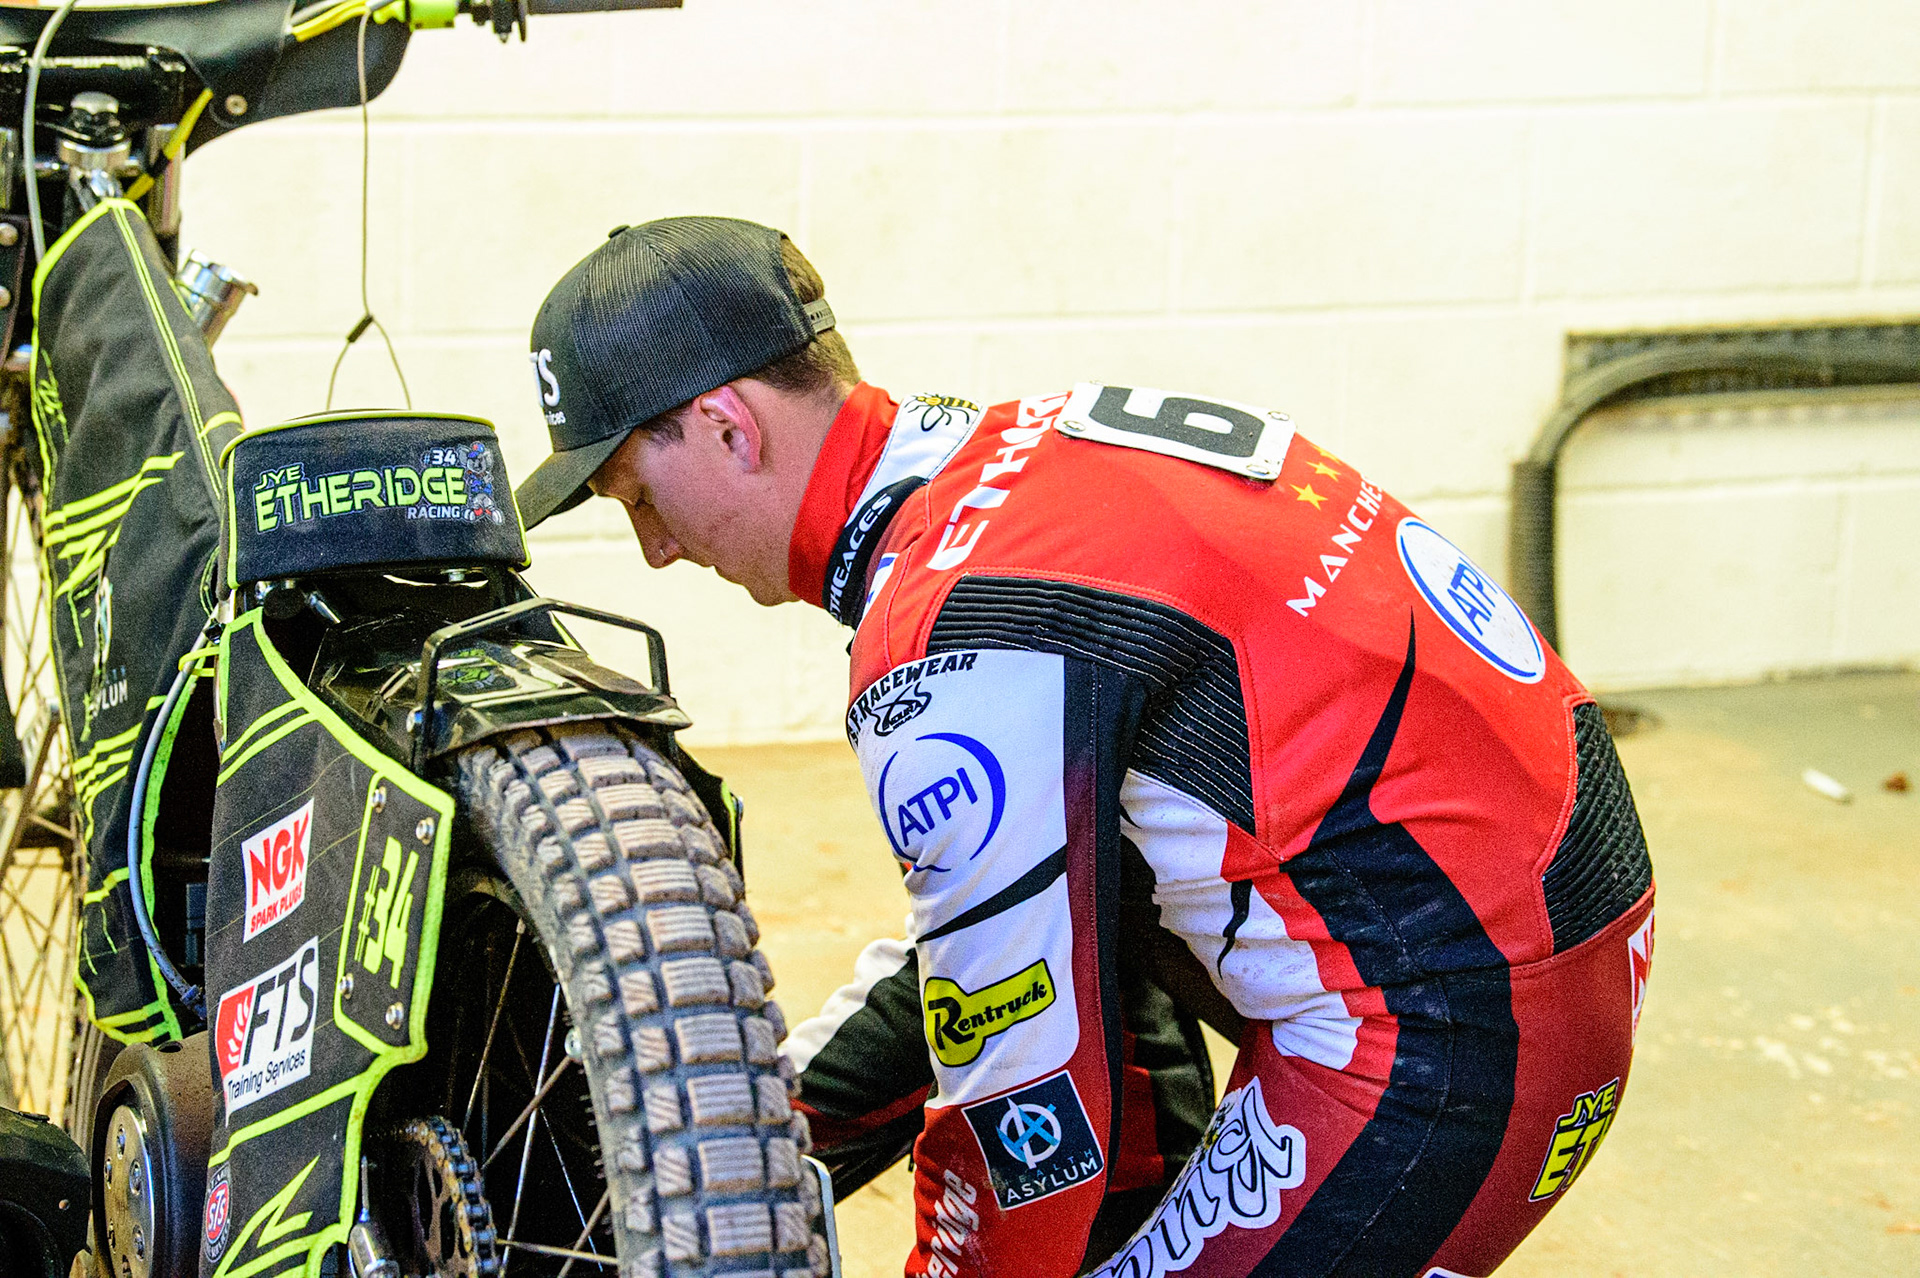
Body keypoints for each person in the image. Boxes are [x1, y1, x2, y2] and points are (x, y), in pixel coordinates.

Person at [515, 216, 1657, 1278]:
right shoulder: (1025, 447)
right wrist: (734, 1139)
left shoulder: (945, 637)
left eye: (636, 496)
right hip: (1558, 915)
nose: (656, 549)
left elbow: (1021, 1092)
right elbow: (994, 948)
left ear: (727, 427)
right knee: (1045, 909)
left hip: (1464, 1041)